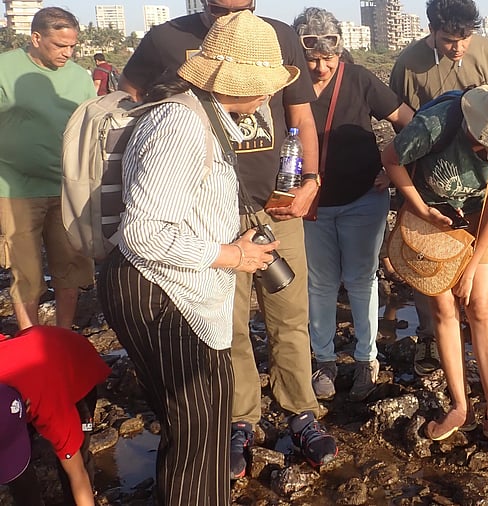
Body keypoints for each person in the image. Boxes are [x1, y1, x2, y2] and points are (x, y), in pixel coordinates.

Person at [96, 12, 308, 504]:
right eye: (267, 87)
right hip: (161, 294)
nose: (270, 98)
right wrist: (233, 254)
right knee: (197, 436)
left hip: (173, 290)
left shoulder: (202, 119)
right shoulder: (181, 125)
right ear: (243, 84)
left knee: (199, 430)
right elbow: (144, 232)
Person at [382, 79, 488, 455]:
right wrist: (421, 208)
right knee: (443, 309)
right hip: (430, 215)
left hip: (477, 217)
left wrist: (471, 268)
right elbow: (390, 159)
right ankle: (460, 405)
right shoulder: (436, 125)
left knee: (482, 306)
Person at [389, 0, 488, 379]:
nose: (459, 48)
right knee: (427, 259)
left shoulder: (486, 51)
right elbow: (399, 122)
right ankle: (430, 333)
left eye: (465, 38)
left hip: (483, 166)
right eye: (450, 40)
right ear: (432, 31)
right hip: (434, 169)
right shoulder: (409, 63)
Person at [293, 7, 414, 402]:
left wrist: (392, 166)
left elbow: (409, 121)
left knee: (362, 279)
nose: (320, 67)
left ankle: (366, 359)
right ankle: (324, 359)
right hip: (311, 205)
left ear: (340, 52)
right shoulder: (288, 84)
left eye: (328, 58)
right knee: (320, 282)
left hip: (363, 198)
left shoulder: (359, 79)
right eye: (312, 59)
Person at [0, 7, 95, 331]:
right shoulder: (5, 69)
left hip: (67, 189)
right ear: (36, 38)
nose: (67, 53)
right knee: (25, 271)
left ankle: (63, 336)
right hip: (16, 189)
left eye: (72, 46)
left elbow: (90, 127)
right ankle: (29, 337)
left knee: (71, 268)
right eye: (59, 45)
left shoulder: (79, 77)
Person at [0, 325, 111, 506]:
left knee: (76, 455)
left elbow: (77, 474)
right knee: (13, 465)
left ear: (26, 407)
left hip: (76, 362)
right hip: (31, 346)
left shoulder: (53, 412)